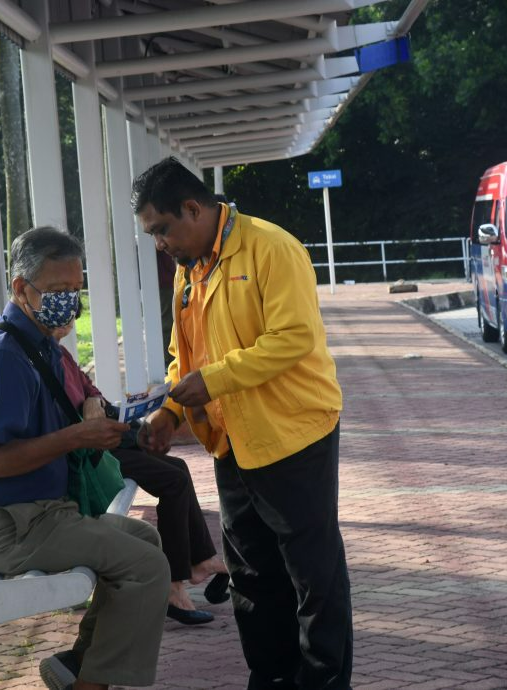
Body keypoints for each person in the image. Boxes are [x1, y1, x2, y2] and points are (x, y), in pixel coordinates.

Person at [132, 157, 353, 690]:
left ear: (193, 207)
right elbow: (183, 357)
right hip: (232, 445)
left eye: (163, 229)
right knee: (252, 579)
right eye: (153, 235)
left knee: (313, 578)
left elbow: (292, 337)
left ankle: (323, 682)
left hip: (293, 434)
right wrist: (171, 410)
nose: (161, 244)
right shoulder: (190, 272)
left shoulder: (271, 247)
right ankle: (271, 679)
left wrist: (212, 381)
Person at [0, 226, 170, 690]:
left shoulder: (41, 344)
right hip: (9, 526)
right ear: (20, 289)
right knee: (145, 570)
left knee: (145, 544)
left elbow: (73, 399)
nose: (68, 301)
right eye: (56, 291)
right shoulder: (4, 357)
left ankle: (77, 665)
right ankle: (91, 684)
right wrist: (76, 436)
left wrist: (92, 412)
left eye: (75, 290)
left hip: (44, 515)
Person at [50, 308, 230, 625]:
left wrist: (94, 402)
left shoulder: (58, 352)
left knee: (178, 470)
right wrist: (92, 409)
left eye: (71, 317)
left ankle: (200, 561)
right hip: (90, 453)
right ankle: (174, 586)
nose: (68, 323)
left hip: (105, 440)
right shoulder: (40, 360)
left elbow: (88, 390)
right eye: (64, 318)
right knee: (172, 480)